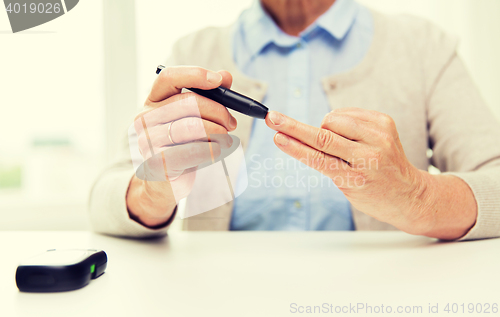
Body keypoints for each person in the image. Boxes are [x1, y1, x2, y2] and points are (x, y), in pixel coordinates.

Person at [89, 0, 500, 240]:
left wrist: (418, 196)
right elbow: (102, 197)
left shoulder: (423, 47)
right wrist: (149, 192)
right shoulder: (195, 50)